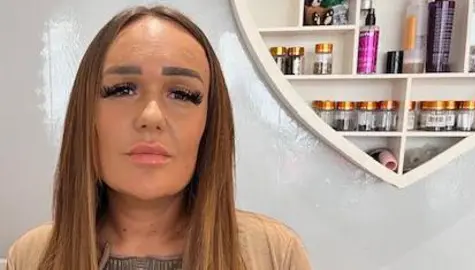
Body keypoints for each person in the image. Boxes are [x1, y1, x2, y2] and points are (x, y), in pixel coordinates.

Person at [5, 5, 312, 270]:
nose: (151, 116)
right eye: (121, 89)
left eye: (182, 93)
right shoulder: (33, 256)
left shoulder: (274, 254)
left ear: (210, 122)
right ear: (87, 116)